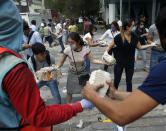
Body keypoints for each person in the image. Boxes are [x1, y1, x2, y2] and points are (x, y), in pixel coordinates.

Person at [82, 0, 166, 131]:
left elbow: (122, 115)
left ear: (159, 32)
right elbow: (148, 96)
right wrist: (115, 93)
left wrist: (91, 95)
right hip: (120, 63)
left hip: (130, 63)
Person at [0, 0, 93, 130]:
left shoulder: (49, 56)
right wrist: (80, 105)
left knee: (55, 94)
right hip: (21, 124)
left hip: (56, 79)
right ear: (12, 27)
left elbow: (86, 60)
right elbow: (40, 116)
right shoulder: (14, 68)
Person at [105, 19, 155, 92]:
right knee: (117, 81)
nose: (134, 27)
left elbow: (140, 47)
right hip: (119, 62)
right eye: (133, 25)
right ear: (128, 27)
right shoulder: (119, 37)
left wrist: (150, 45)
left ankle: (129, 97)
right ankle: (113, 94)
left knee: (129, 82)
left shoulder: (134, 36)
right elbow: (110, 46)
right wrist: (105, 53)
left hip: (130, 62)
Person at [57, 32, 108, 103]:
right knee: (69, 91)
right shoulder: (67, 50)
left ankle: (86, 103)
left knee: (86, 89)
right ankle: (68, 105)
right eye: (69, 42)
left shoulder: (85, 49)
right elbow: (61, 62)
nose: (70, 44)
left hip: (83, 72)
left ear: (78, 41)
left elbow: (93, 60)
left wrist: (105, 63)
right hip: (72, 73)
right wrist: (54, 68)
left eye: (72, 42)